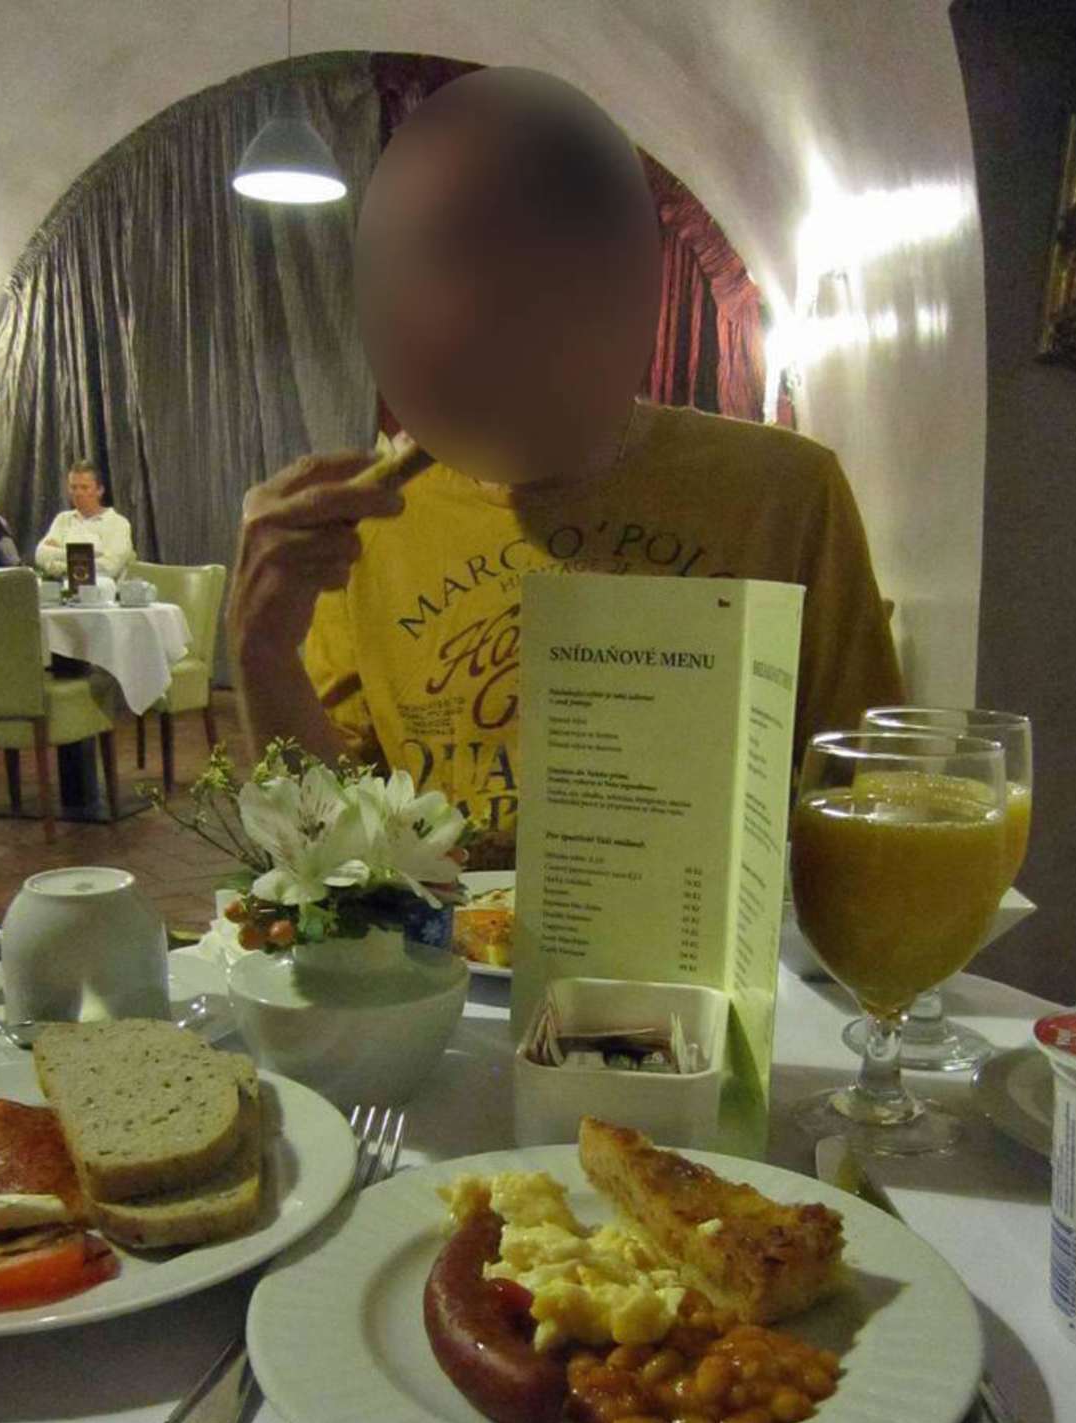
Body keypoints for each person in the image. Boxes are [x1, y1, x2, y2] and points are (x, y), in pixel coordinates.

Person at [228, 68, 903, 854]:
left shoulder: (784, 495)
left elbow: (868, 806)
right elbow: (334, 855)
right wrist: (262, 653)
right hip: (451, 936)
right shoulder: (362, 528)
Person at [34, 460, 134, 579]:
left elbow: (109, 567)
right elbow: (40, 554)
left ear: (100, 490)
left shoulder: (118, 524)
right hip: (61, 587)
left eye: (84, 488)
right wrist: (90, 556)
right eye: (73, 487)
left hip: (101, 589)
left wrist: (58, 562)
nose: (78, 493)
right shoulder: (63, 519)